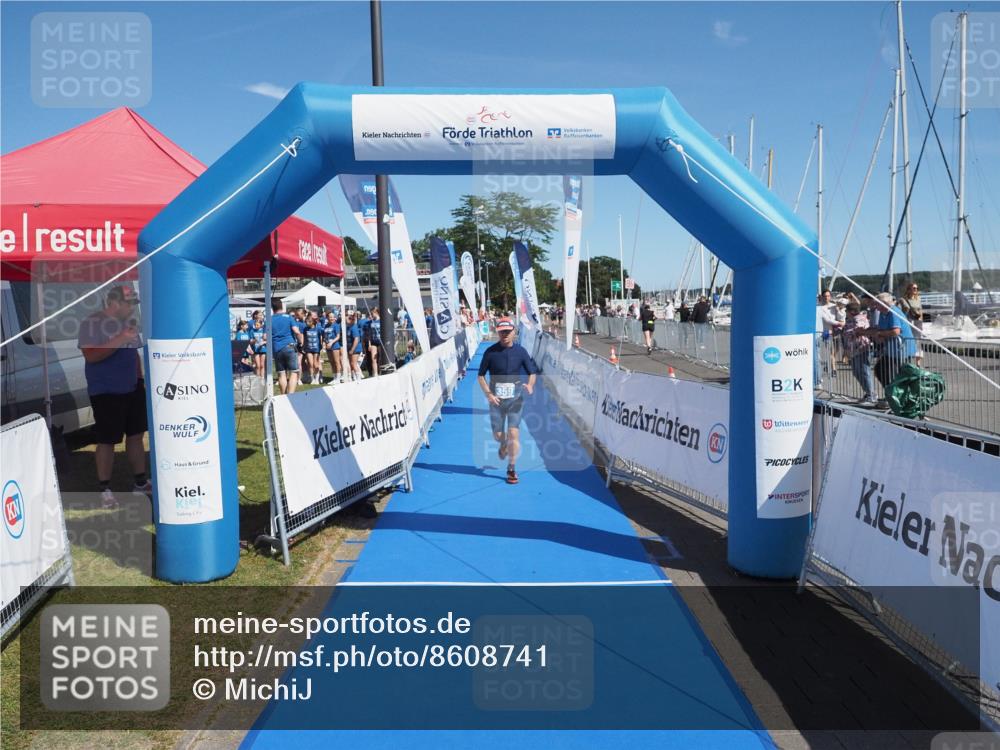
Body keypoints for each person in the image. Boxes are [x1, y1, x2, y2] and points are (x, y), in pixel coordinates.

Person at [77, 285, 151, 509]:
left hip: (133, 388)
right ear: (114, 303)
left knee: (136, 435)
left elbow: (133, 355)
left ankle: (140, 483)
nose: (132, 308)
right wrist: (119, 338)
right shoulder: (91, 323)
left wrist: (140, 380)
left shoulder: (128, 325)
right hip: (106, 392)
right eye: (129, 303)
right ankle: (105, 489)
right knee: (107, 441)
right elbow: (90, 355)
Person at [477, 318, 538, 485]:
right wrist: (489, 394)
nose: (504, 334)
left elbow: (532, 372)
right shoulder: (490, 352)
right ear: (497, 332)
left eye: (507, 331)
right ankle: (503, 444)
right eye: (501, 331)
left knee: (513, 433)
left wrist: (531, 385)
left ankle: (511, 468)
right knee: (498, 436)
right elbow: (480, 376)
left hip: (515, 398)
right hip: (496, 399)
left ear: (513, 332)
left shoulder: (521, 352)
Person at [870, 292, 918, 403]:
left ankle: (899, 398)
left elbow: (896, 331)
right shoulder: (883, 313)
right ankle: (892, 394)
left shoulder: (893, 312)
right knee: (881, 370)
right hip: (891, 350)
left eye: (877, 304)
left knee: (897, 374)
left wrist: (881, 335)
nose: (875, 307)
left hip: (902, 349)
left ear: (884, 304)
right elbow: (880, 329)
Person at [842, 302, 876, 405]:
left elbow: (859, 330)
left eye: (846, 311)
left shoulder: (859, 318)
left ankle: (871, 395)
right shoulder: (850, 320)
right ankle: (868, 393)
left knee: (864, 372)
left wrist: (849, 332)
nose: (845, 313)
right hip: (854, 350)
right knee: (857, 372)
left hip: (862, 348)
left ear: (851, 311)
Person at [271, 299, 302, 394]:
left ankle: (283, 396)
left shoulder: (269, 319)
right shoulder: (288, 317)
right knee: (294, 372)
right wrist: (301, 343)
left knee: (281, 373)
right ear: (282, 306)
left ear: (272, 308)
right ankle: (291, 395)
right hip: (289, 346)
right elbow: (296, 331)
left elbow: (264, 336)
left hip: (277, 348)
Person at [898, 281, 924, 366]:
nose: (916, 290)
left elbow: (920, 310)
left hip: (918, 321)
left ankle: (918, 361)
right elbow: (899, 311)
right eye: (914, 288)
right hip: (908, 321)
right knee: (908, 339)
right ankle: (907, 358)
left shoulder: (918, 299)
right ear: (908, 290)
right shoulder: (902, 299)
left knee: (918, 340)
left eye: (917, 288)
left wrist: (921, 320)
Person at [323, 311, 343, 384]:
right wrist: (325, 343)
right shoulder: (326, 326)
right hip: (328, 346)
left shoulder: (336, 325)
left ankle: (338, 378)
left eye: (332, 317)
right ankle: (334, 377)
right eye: (330, 317)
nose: (331, 318)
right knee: (331, 362)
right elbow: (325, 336)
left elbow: (338, 336)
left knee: (336, 362)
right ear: (327, 317)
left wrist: (331, 342)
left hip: (335, 345)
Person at [302, 315, 322, 384]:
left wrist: (322, 345)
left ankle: (317, 378)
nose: (307, 322)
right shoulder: (305, 329)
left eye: (309, 321)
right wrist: (303, 346)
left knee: (315, 364)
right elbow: (304, 338)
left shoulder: (318, 329)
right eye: (306, 321)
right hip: (308, 349)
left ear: (313, 322)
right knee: (310, 364)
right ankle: (312, 378)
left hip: (316, 349)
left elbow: (322, 336)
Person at [347, 312, 364, 381]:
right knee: (352, 364)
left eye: (349, 318)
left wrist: (352, 349)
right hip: (351, 348)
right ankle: (354, 377)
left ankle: (358, 378)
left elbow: (356, 339)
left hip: (356, 348)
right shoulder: (348, 327)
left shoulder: (354, 327)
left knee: (354, 364)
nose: (348, 320)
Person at [251, 311, 267, 379]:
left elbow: (267, 340)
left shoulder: (263, 331)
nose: (256, 326)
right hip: (256, 349)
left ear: (261, 325)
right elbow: (251, 341)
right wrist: (254, 340)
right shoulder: (252, 331)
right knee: (257, 365)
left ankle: (262, 378)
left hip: (263, 349)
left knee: (262, 365)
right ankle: (257, 378)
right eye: (255, 324)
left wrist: (263, 342)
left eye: (258, 325)